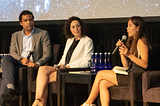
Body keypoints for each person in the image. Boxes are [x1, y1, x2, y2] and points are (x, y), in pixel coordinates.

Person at [81, 16, 151, 106]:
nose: (127, 28)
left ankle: (87, 103)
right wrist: (122, 53)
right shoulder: (133, 42)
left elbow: (145, 64)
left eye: (130, 26)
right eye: (127, 26)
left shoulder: (142, 41)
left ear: (138, 28)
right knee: (103, 83)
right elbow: (126, 66)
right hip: (131, 74)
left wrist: (129, 54)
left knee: (100, 74)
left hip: (137, 77)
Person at [32, 16, 94, 106]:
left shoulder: (88, 41)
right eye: (73, 27)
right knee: (42, 69)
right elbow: (64, 58)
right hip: (64, 69)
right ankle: (38, 100)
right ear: (70, 29)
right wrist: (59, 66)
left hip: (76, 71)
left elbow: (87, 62)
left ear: (81, 27)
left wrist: (68, 66)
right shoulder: (69, 40)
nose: (76, 29)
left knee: (45, 79)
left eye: (78, 26)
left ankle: (39, 101)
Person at [0, 10, 52, 105]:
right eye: (26, 20)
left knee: (5, 75)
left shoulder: (42, 34)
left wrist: (37, 63)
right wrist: (21, 59)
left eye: (31, 20)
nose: (29, 22)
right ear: (21, 23)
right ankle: (11, 89)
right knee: (7, 58)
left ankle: (8, 94)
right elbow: (13, 52)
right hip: (18, 61)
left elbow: (47, 54)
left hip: (32, 63)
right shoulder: (15, 35)